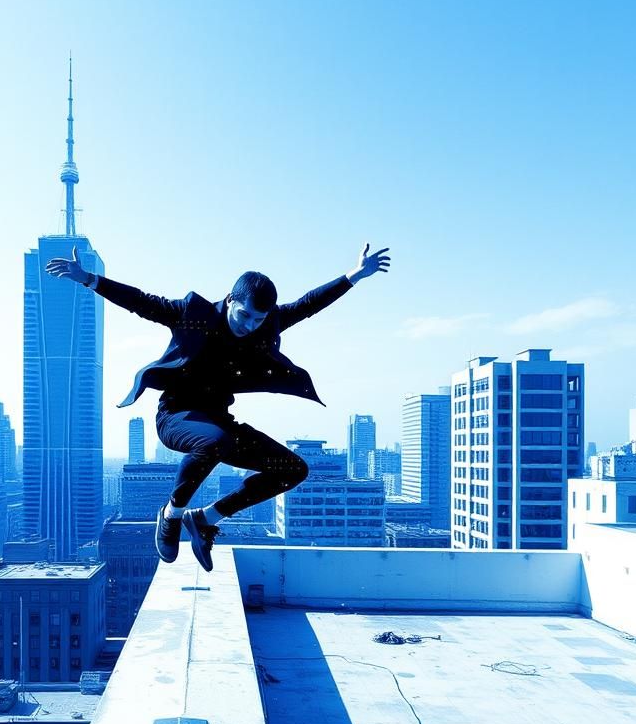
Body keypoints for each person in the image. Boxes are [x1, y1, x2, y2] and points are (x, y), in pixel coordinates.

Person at [45, 242, 391, 572]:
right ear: (229, 300)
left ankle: (205, 519)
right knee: (213, 442)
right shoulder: (193, 315)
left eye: (259, 319)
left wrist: (354, 276)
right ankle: (171, 515)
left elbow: (307, 304)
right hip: (177, 417)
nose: (250, 326)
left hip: (220, 424)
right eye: (245, 315)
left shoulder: (264, 325)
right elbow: (141, 301)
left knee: (292, 469)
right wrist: (88, 279)